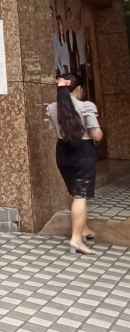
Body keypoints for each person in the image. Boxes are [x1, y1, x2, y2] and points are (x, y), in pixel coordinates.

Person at [46, 73, 102, 255]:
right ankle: (76, 239)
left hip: (63, 151)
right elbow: (96, 135)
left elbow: (53, 131)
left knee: (73, 191)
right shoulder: (86, 106)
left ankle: (83, 229)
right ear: (78, 89)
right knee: (80, 196)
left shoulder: (52, 108)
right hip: (82, 152)